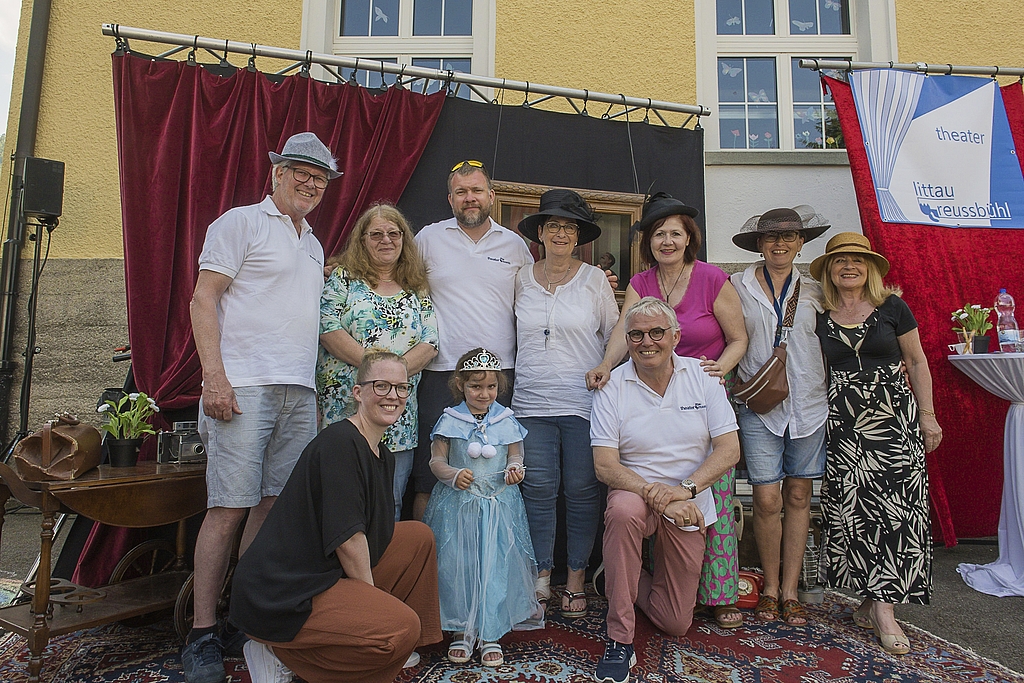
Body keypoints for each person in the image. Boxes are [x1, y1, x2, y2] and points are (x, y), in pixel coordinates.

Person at [184, 132, 338, 683]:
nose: (310, 182)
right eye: (300, 170)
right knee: (227, 507)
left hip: (298, 392)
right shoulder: (239, 223)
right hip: (243, 388)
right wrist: (215, 379)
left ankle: (241, 618)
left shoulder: (314, 243)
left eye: (319, 177)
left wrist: (312, 396)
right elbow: (204, 299)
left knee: (270, 510)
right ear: (276, 172)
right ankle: (203, 633)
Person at [229, 350, 442, 683]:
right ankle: (283, 654)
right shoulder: (339, 443)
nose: (393, 396)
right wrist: (373, 608)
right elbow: (349, 538)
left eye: (401, 388)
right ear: (358, 392)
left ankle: (381, 639)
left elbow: (374, 532)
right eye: (381, 385)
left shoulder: (382, 455)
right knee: (400, 627)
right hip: (284, 590)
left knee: (417, 537)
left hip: (322, 570)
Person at [587, 192, 748, 630]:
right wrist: (606, 365)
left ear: (688, 238)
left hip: (703, 385)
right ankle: (631, 589)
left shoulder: (713, 278)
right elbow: (626, 331)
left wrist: (717, 371)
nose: (667, 240)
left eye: (675, 232)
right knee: (634, 508)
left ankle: (717, 596)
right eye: (658, 233)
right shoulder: (641, 283)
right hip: (645, 383)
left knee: (712, 498)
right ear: (649, 241)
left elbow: (738, 337)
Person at [591, 297, 740, 683]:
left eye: (657, 332)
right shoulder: (613, 387)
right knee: (622, 512)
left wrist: (683, 492)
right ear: (627, 339)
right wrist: (656, 494)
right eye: (637, 334)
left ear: (675, 336)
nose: (647, 342)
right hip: (635, 494)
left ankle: (615, 578)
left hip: (688, 502)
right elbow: (605, 465)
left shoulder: (704, 377)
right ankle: (619, 638)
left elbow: (729, 450)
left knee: (675, 621)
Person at [810, 232, 942, 656]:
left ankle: (885, 611)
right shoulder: (820, 313)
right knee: (855, 509)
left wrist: (928, 415)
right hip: (844, 423)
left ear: (871, 269)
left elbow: (917, 361)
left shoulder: (893, 307)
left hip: (893, 419)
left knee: (896, 510)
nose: (849, 267)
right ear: (830, 271)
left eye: (858, 260)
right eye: (840, 261)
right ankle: (870, 600)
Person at [512, 189, 618, 618]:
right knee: (536, 491)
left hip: (582, 403)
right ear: (539, 232)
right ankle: (541, 577)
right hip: (530, 403)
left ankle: (575, 577)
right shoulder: (520, 276)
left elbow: (616, 333)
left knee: (580, 491)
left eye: (568, 227)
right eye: (552, 225)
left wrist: (607, 366)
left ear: (579, 237)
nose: (560, 233)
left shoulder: (594, 280)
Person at [411, 160, 534, 519]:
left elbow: (537, 294)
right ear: (450, 199)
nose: (470, 198)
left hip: (499, 376)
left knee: (496, 472)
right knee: (430, 474)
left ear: (491, 196)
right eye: (461, 192)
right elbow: (397, 283)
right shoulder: (428, 239)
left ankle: (489, 556)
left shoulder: (514, 246)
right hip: (441, 371)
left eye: (477, 191)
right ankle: (427, 566)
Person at [729, 206, 830, 626]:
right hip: (758, 406)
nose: (780, 244)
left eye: (789, 237)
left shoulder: (818, 290)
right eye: (771, 238)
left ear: (802, 243)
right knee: (766, 497)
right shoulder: (737, 285)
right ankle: (768, 587)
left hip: (808, 404)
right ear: (759, 245)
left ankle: (791, 591)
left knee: (800, 496)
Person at [317, 203, 438, 520]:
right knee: (342, 505)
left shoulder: (416, 286)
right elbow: (327, 329)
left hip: (398, 414)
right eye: (376, 234)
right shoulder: (343, 278)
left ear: (403, 239)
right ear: (362, 240)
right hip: (347, 411)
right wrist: (380, 373)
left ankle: (384, 570)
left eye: (393, 233)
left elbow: (430, 342)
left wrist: (390, 382)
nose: (386, 240)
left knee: (390, 505)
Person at [422, 348, 540, 667]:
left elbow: (515, 455)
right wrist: (453, 474)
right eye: (475, 386)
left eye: (490, 387)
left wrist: (516, 470)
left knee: (494, 565)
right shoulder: (451, 419)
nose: (483, 393)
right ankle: (462, 629)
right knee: (459, 566)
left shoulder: (506, 419)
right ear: (461, 384)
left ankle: (490, 633)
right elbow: (436, 460)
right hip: (458, 509)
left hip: (498, 507)